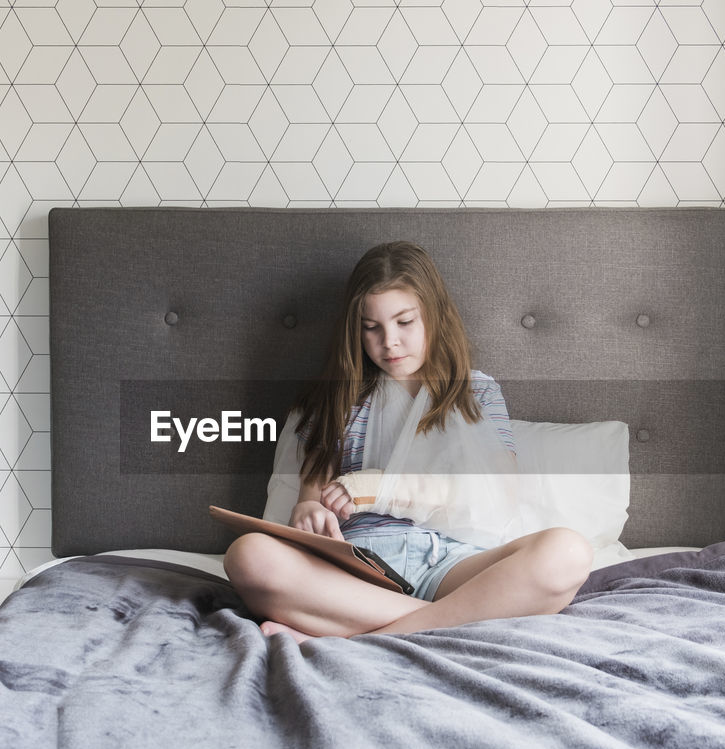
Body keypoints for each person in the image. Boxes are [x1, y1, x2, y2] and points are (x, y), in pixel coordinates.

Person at [223, 241, 593, 642]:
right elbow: (308, 500)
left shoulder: (476, 393)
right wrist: (310, 513)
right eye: (372, 328)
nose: (390, 342)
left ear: (433, 315)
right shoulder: (334, 400)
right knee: (247, 555)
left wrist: (383, 490)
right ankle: (449, 619)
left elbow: (497, 495)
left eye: (404, 322)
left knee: (568, 552)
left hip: (450, 562)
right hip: (356, 569)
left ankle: (361, 633)